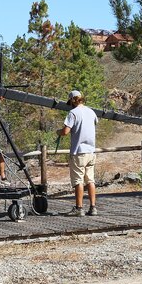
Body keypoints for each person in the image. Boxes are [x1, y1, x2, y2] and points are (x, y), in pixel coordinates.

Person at [57, 89, 99, 217]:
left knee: (78, 181)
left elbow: (65, 131)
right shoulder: (91, 112)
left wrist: (58, 132)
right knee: (90, 180)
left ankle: (79, 208)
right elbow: (94, 124)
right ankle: (93, 208)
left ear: (72, 101)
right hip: (91, 151)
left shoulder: (73, 113)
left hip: (78, 152)